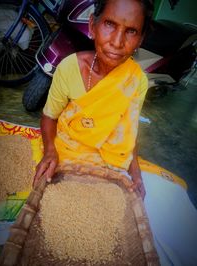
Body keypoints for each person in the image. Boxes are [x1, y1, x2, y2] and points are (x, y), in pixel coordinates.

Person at [34, 0, 197, 265]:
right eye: (110, 24)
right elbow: (49, 116)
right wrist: (50, 151)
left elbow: (128, 130)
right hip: (67, 151)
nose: (118, 41)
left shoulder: (137, 81)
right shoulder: (68, 68)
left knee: (166, 207)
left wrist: (134, 169)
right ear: (92, 25)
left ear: (141, 38)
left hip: (110, 160)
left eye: (131, 31)